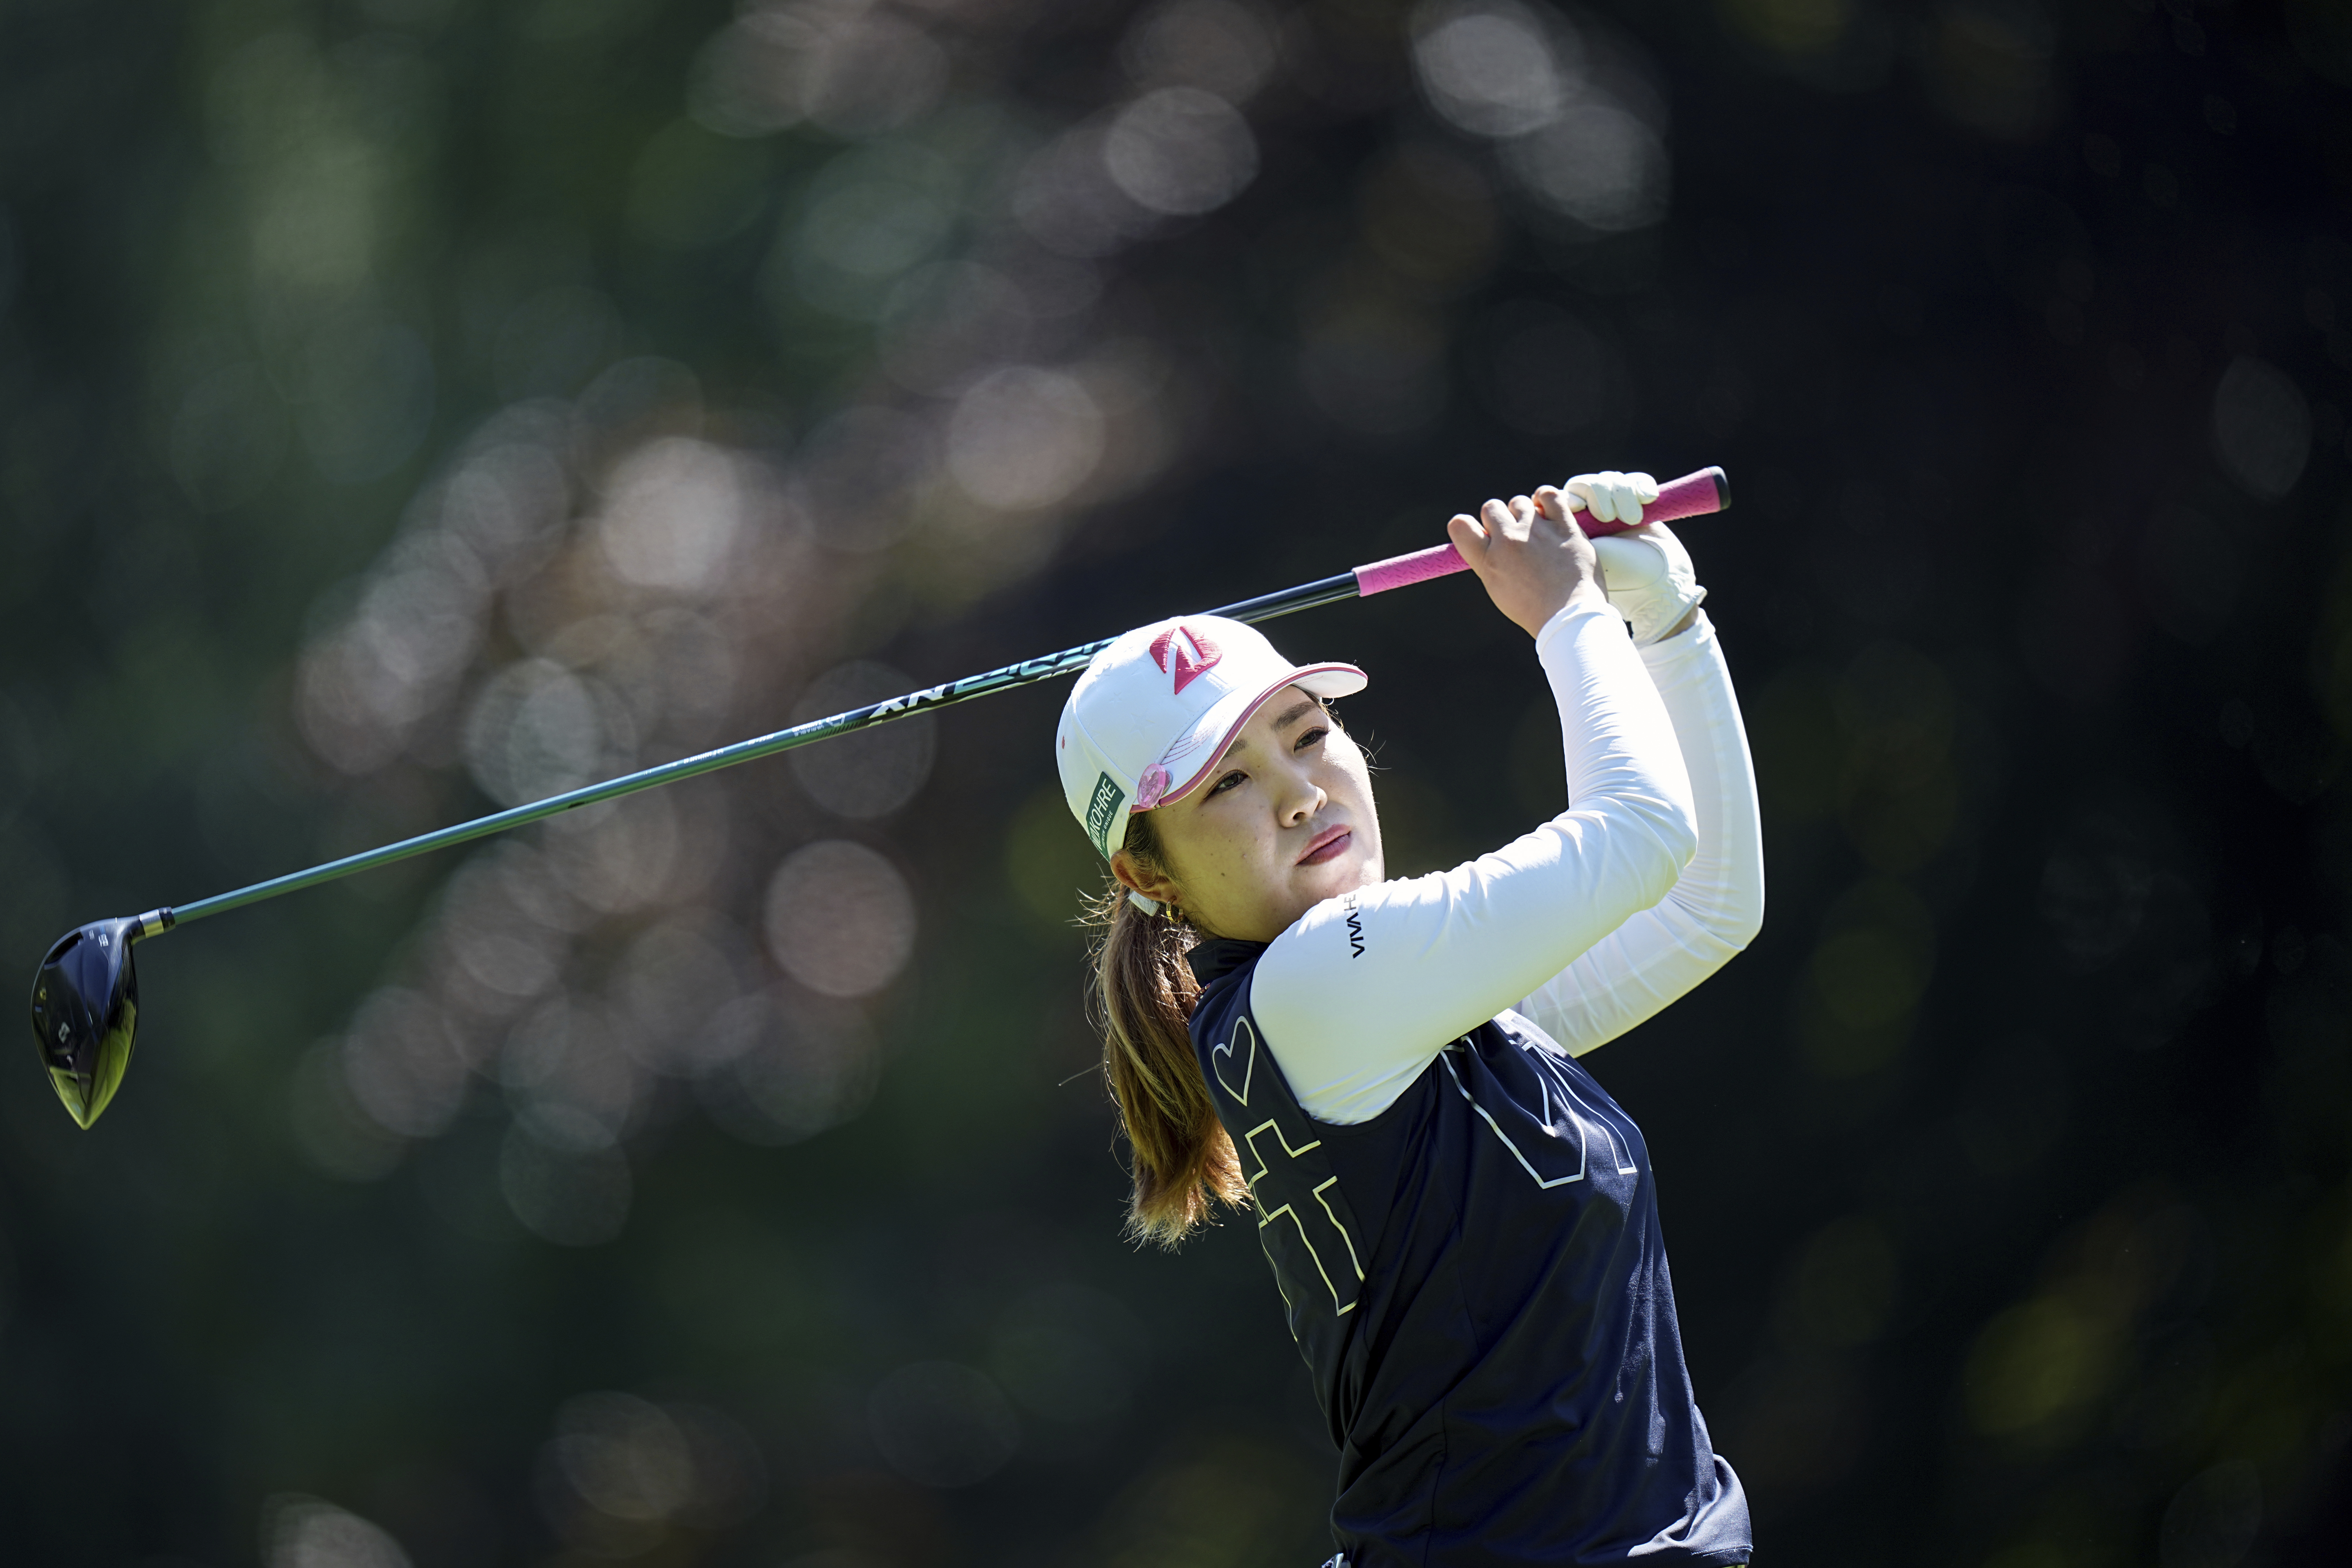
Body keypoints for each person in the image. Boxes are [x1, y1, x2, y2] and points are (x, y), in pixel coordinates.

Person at [1052, 471, 1764, 1566]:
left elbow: (1702, 907)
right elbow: (1639, 837)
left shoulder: (1384, 1009)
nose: (1298, 790)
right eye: (1224, 786)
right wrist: (1568, 609)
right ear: (1149, 878)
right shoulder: (1325, 986)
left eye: (1305, 732)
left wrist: (1664, 619)